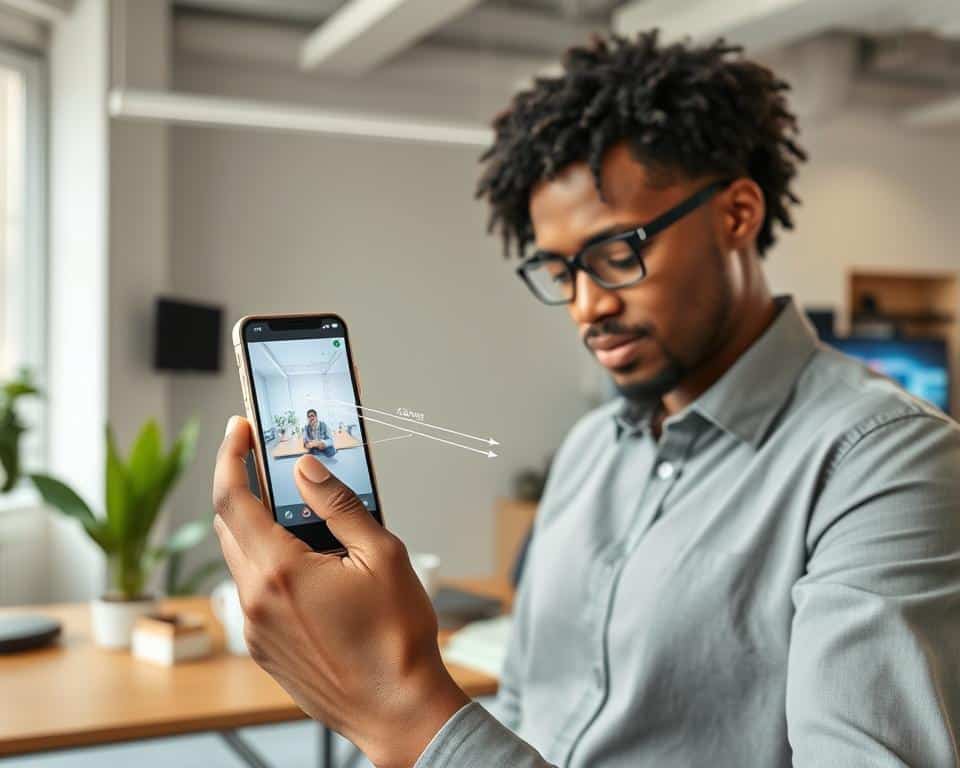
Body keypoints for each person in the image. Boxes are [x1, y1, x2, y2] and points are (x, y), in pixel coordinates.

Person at [212, 31, 960, 768]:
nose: (586, 306)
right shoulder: (589, 449)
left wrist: (405, 712)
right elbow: (532, 707)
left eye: (615, 254)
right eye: (561, 271)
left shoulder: (890, 458)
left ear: (736, 214)